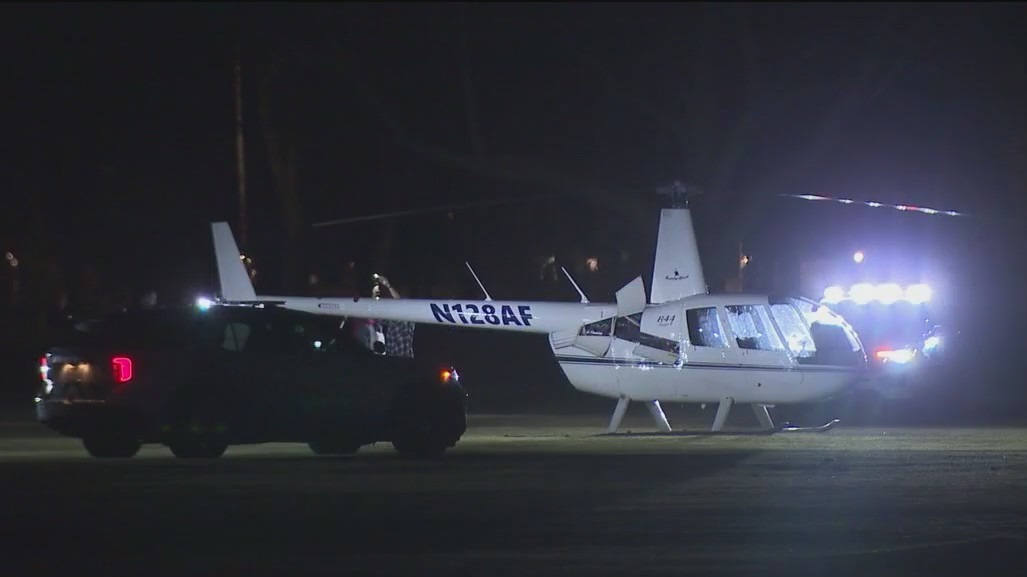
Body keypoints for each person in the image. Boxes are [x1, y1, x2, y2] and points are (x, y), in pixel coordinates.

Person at [375, 274, 415, 358]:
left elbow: (400, 303)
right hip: (392, 356)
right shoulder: (391, 317)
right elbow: (377, 317)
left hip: (404, 357)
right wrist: (374, 293)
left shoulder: (409, 315)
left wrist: (388, 285)